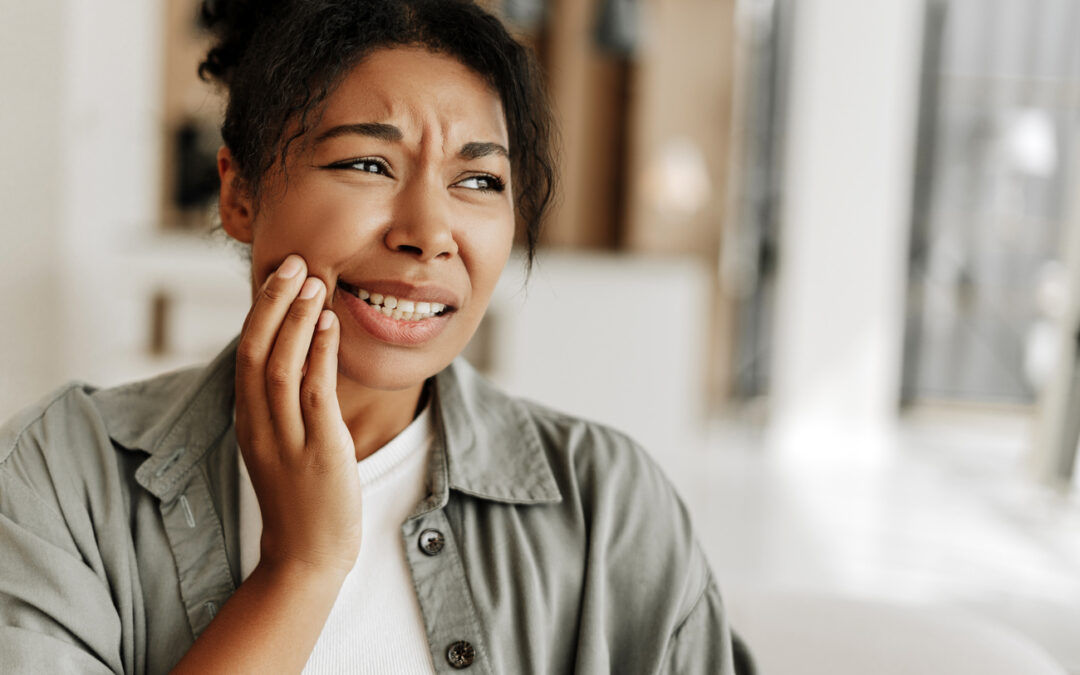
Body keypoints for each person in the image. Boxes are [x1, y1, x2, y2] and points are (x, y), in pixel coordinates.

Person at [0, 1, 740, 672]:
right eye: (366, 163)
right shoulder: (62, 477)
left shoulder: (609, 504)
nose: (427, 234)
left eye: (479, 180)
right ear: (239, 194)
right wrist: (300, 566)